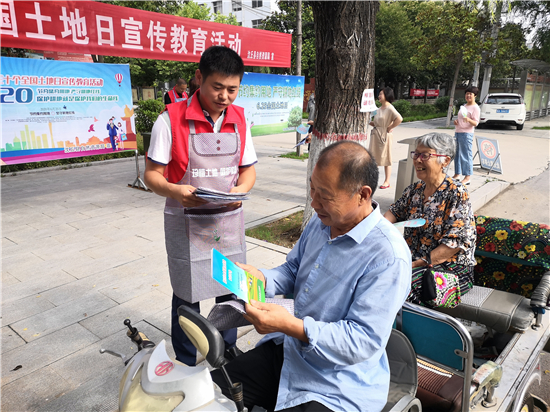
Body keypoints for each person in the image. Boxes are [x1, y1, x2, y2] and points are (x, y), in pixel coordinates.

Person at [211, 141, 412, 412]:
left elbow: (361, 340)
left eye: (325, 196)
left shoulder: (388, 257)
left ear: (362, 195)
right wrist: (262, 277)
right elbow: (294, 269)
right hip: (290, 350)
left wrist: (293, 326)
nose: (314, 203)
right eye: (312, 189)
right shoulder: (321, 222)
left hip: (337, 382)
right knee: (207, 394)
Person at [144, 46, 258, 366]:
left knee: (231, 288)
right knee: (187, 292)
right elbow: (151, 175)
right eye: (217, 87)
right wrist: (175, 190)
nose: (225, 97)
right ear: (199, 78)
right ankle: (185, 356)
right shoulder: (170, 120)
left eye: (232, 89)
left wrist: (240, 190)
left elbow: (248, 171)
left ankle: (227, 348)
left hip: (228, 220)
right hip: (187, 219)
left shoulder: (239, 119)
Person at [384, 133, 476, 305]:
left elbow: (453, 244)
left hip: (450, 270)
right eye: (416, 154)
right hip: (415, 263)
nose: (417, 160)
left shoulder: (456, 193)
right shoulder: (414, 190)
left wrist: (413, 265)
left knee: (398, 286)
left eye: (425, 155)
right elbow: (392, 214)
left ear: (445, 161)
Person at [369, 87, 403, 190]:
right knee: (374, 158)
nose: (379, 96)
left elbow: (399, 118)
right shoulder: (377, 109)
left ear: (387, 95)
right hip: (375, 135)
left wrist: (390, 127)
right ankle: (372, 180)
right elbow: (375, 122)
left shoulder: (390, 108)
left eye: (381, 94)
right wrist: (367, 121)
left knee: (386, 158)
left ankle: (387, 181)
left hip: (384, 135)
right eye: (379, 94)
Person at [452, 86, 480, 185]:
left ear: (475, 95)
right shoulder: (464, 106)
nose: (468, 96)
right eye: (467, 94)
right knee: (457, 154)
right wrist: (456, 121)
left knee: (466, 155)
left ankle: (467, 177)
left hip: (466, 134)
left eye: (470, 94)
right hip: (458, 132)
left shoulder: (475, 108)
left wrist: (469, 120)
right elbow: (460, 118)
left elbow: (476, 123)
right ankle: (457, 174)